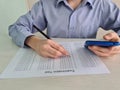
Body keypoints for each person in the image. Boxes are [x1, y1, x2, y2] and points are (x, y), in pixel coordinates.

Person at [9, 0, 120, 58]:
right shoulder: (46, 4)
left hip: (88, 69)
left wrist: (117, 43)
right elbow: (16, 27)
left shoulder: (102, 4)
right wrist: (34, 42)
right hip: (52, 65)